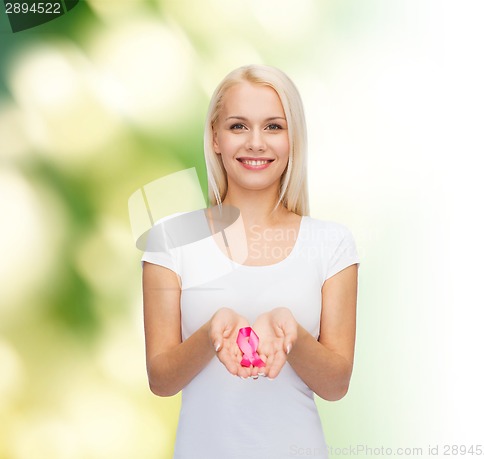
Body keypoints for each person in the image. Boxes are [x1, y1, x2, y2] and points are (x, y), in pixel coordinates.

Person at [141, 64, 359, 459]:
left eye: (274, 127)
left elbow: (336, 385)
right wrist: (211, 335)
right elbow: (161, 379)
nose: (256, 143)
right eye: (239, 126)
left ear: (294, 139)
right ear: (216, 138)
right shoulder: (170, 240)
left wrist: (292, 333)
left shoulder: (332, 243)